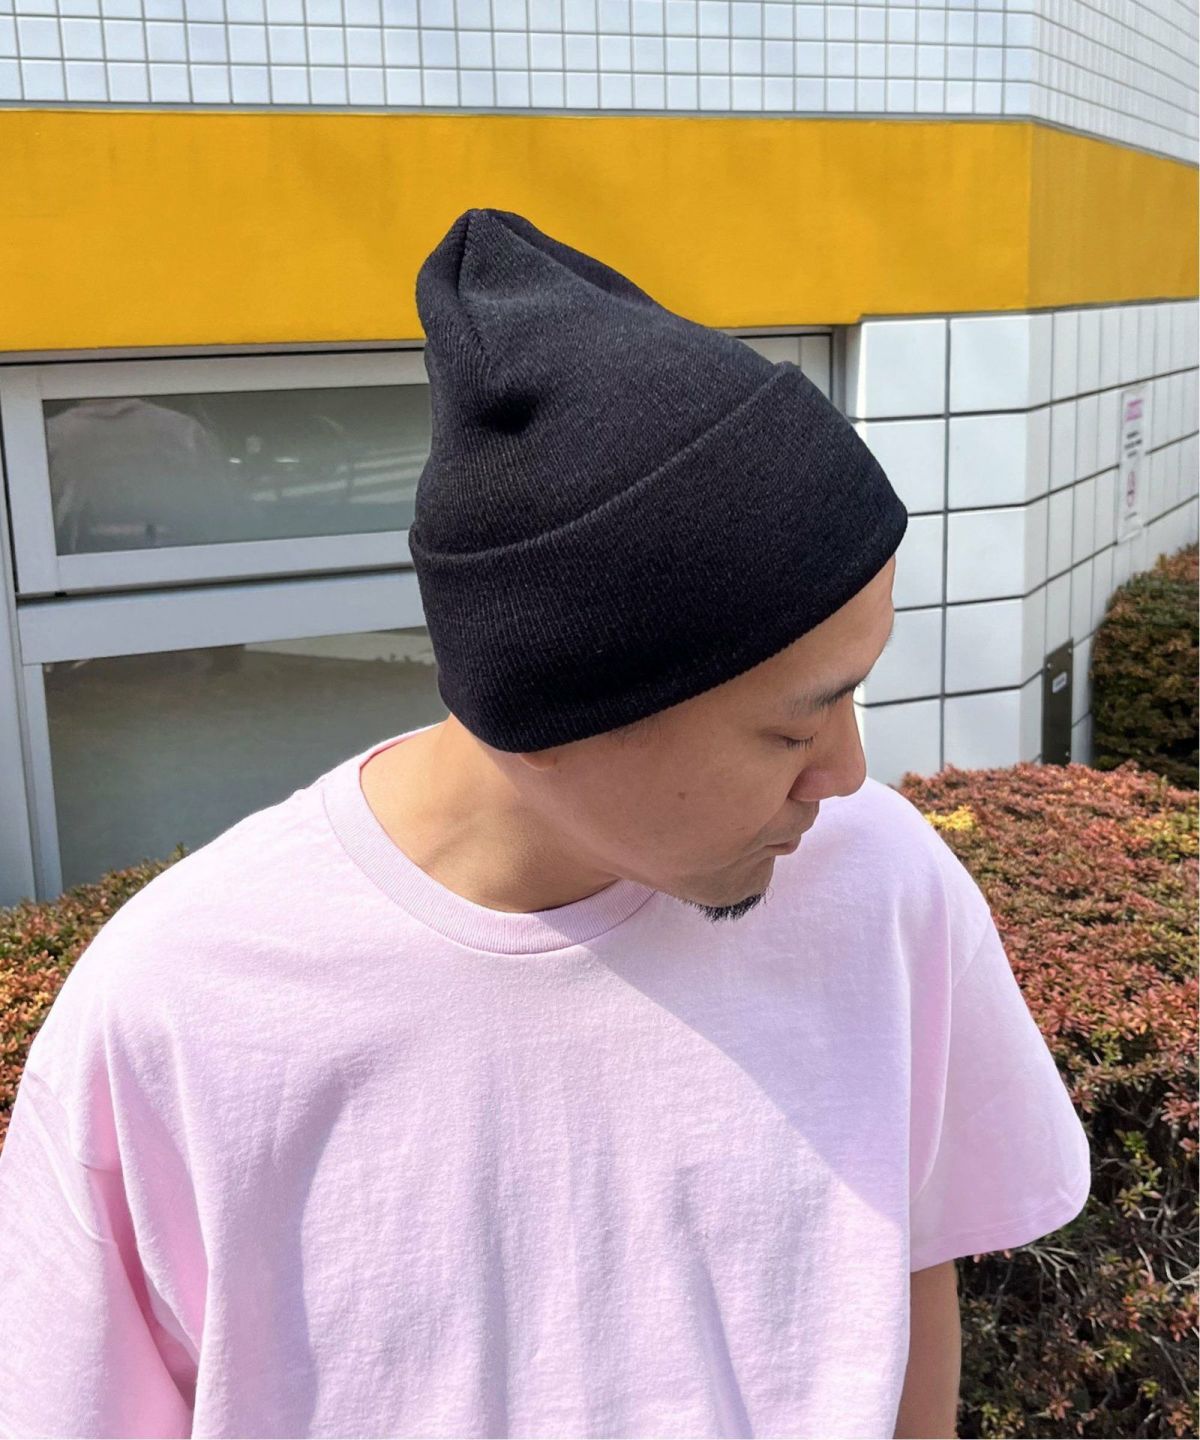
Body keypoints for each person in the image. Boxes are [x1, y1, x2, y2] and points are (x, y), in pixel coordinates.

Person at [0, 209, 1091, 1438]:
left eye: (856, 692)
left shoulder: (879, 886)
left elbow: (911, 1268)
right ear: (550, 716)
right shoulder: (182, 1009)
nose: (846, 774)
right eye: (794, 729)